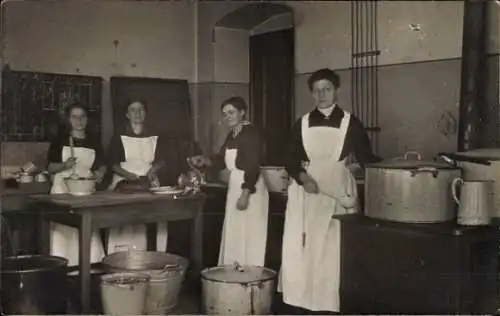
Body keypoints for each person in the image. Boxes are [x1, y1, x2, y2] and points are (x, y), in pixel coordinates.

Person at [278, 68, 381, 314]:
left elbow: (366, 157)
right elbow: (289, 158)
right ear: (311, 94)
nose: (322, 94)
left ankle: (327, 303)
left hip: (337, 189)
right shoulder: (302, 122)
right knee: (303, 244)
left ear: (336, 91)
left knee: (332, 247)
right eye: (317, 90)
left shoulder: (350, 122)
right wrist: (303, 177)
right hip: (307, 189)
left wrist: (392, 167)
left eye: (327, 89)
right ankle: (300, 298)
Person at [190, 96, 269, 266]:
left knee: (249, 234)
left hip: (249, 186)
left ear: (242, 112)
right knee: (236, 233)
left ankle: (250, 276)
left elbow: (253, 166)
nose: (228, 117)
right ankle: (234, 275)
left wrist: (246, 193)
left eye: (231, 112)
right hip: (236, 185)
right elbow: (221, 160)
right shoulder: (233, 134)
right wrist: (205, 160)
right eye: (224, 114)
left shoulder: (251, 133)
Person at [46, 102, 106, 266]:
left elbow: (101, 164)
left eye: (83, 116)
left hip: (85, 191)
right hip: (62, 190)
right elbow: (50, 167)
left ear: (87, 119)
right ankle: (63, 270)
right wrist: (65, 165)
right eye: (74, 116)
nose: (79, 120)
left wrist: (100, 172)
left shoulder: (94, 142)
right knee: (64, 232)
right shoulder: (60, 141)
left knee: (87, 229)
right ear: (68, 119)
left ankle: (89, 270)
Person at [107, 100, 167, 253]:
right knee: (125, 221)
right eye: (133, 110)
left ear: (145, 113)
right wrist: (129, 176)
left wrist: (152, 172)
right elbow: (112, 164)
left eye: (140, 109)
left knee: (152, 219)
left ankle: (152, 257)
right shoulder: (118, 137)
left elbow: (161, 160)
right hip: (124, 181)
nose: (137, 113)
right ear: (127, 114)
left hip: (149, 180)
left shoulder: (155, 136)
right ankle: (121, 256)